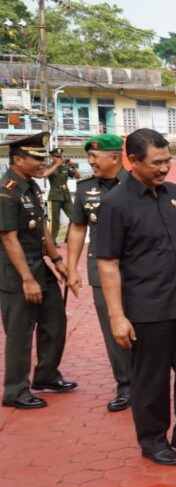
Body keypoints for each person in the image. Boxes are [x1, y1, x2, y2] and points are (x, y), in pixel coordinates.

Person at [95, 128, 176, 466]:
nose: (164, 169)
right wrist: (117, 317)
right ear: (132, 161)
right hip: (148, 308)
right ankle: (152, 440)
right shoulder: (114, 204)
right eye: (157, 163)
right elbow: (108, 264)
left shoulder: (174, 194)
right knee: (151, 380)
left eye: (167, 161)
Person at [0, 132, 76, 409]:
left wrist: (57, 261)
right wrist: (27, 279)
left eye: (44, 158)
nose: (42, 162)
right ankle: (15, 391)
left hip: (39, 266)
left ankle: (46, 375)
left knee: (55, 323)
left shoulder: (30, 186)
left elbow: (42, 227)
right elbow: (8, 238)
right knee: (20, 333)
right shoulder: (7, 191)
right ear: (18, 160)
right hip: (16, 273)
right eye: (37, 158)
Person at [65, 134, 132, 412]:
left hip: (137, 269)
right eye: (89, 156)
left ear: (115, 157)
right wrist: (71, 268)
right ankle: (126, 384)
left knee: (146, 324)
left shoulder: (136, 184)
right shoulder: (85, 189)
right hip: (100, 270)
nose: (90, 161)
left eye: (95, 157)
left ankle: (149, 379)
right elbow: (78, 228)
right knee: (112, 329)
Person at [43, 147, 80, 243]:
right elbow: (45, 174)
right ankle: (51, 242)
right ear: (52, 157)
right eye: (56, 157)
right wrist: (56, 165)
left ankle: (68, 238)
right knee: (54, 221)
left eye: (60, 157)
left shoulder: (65, 167)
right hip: (54, 197)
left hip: (65, 196)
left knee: (74, 217)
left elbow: (77, 177)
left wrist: (73, 167)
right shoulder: (49, 167)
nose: (59, 158)